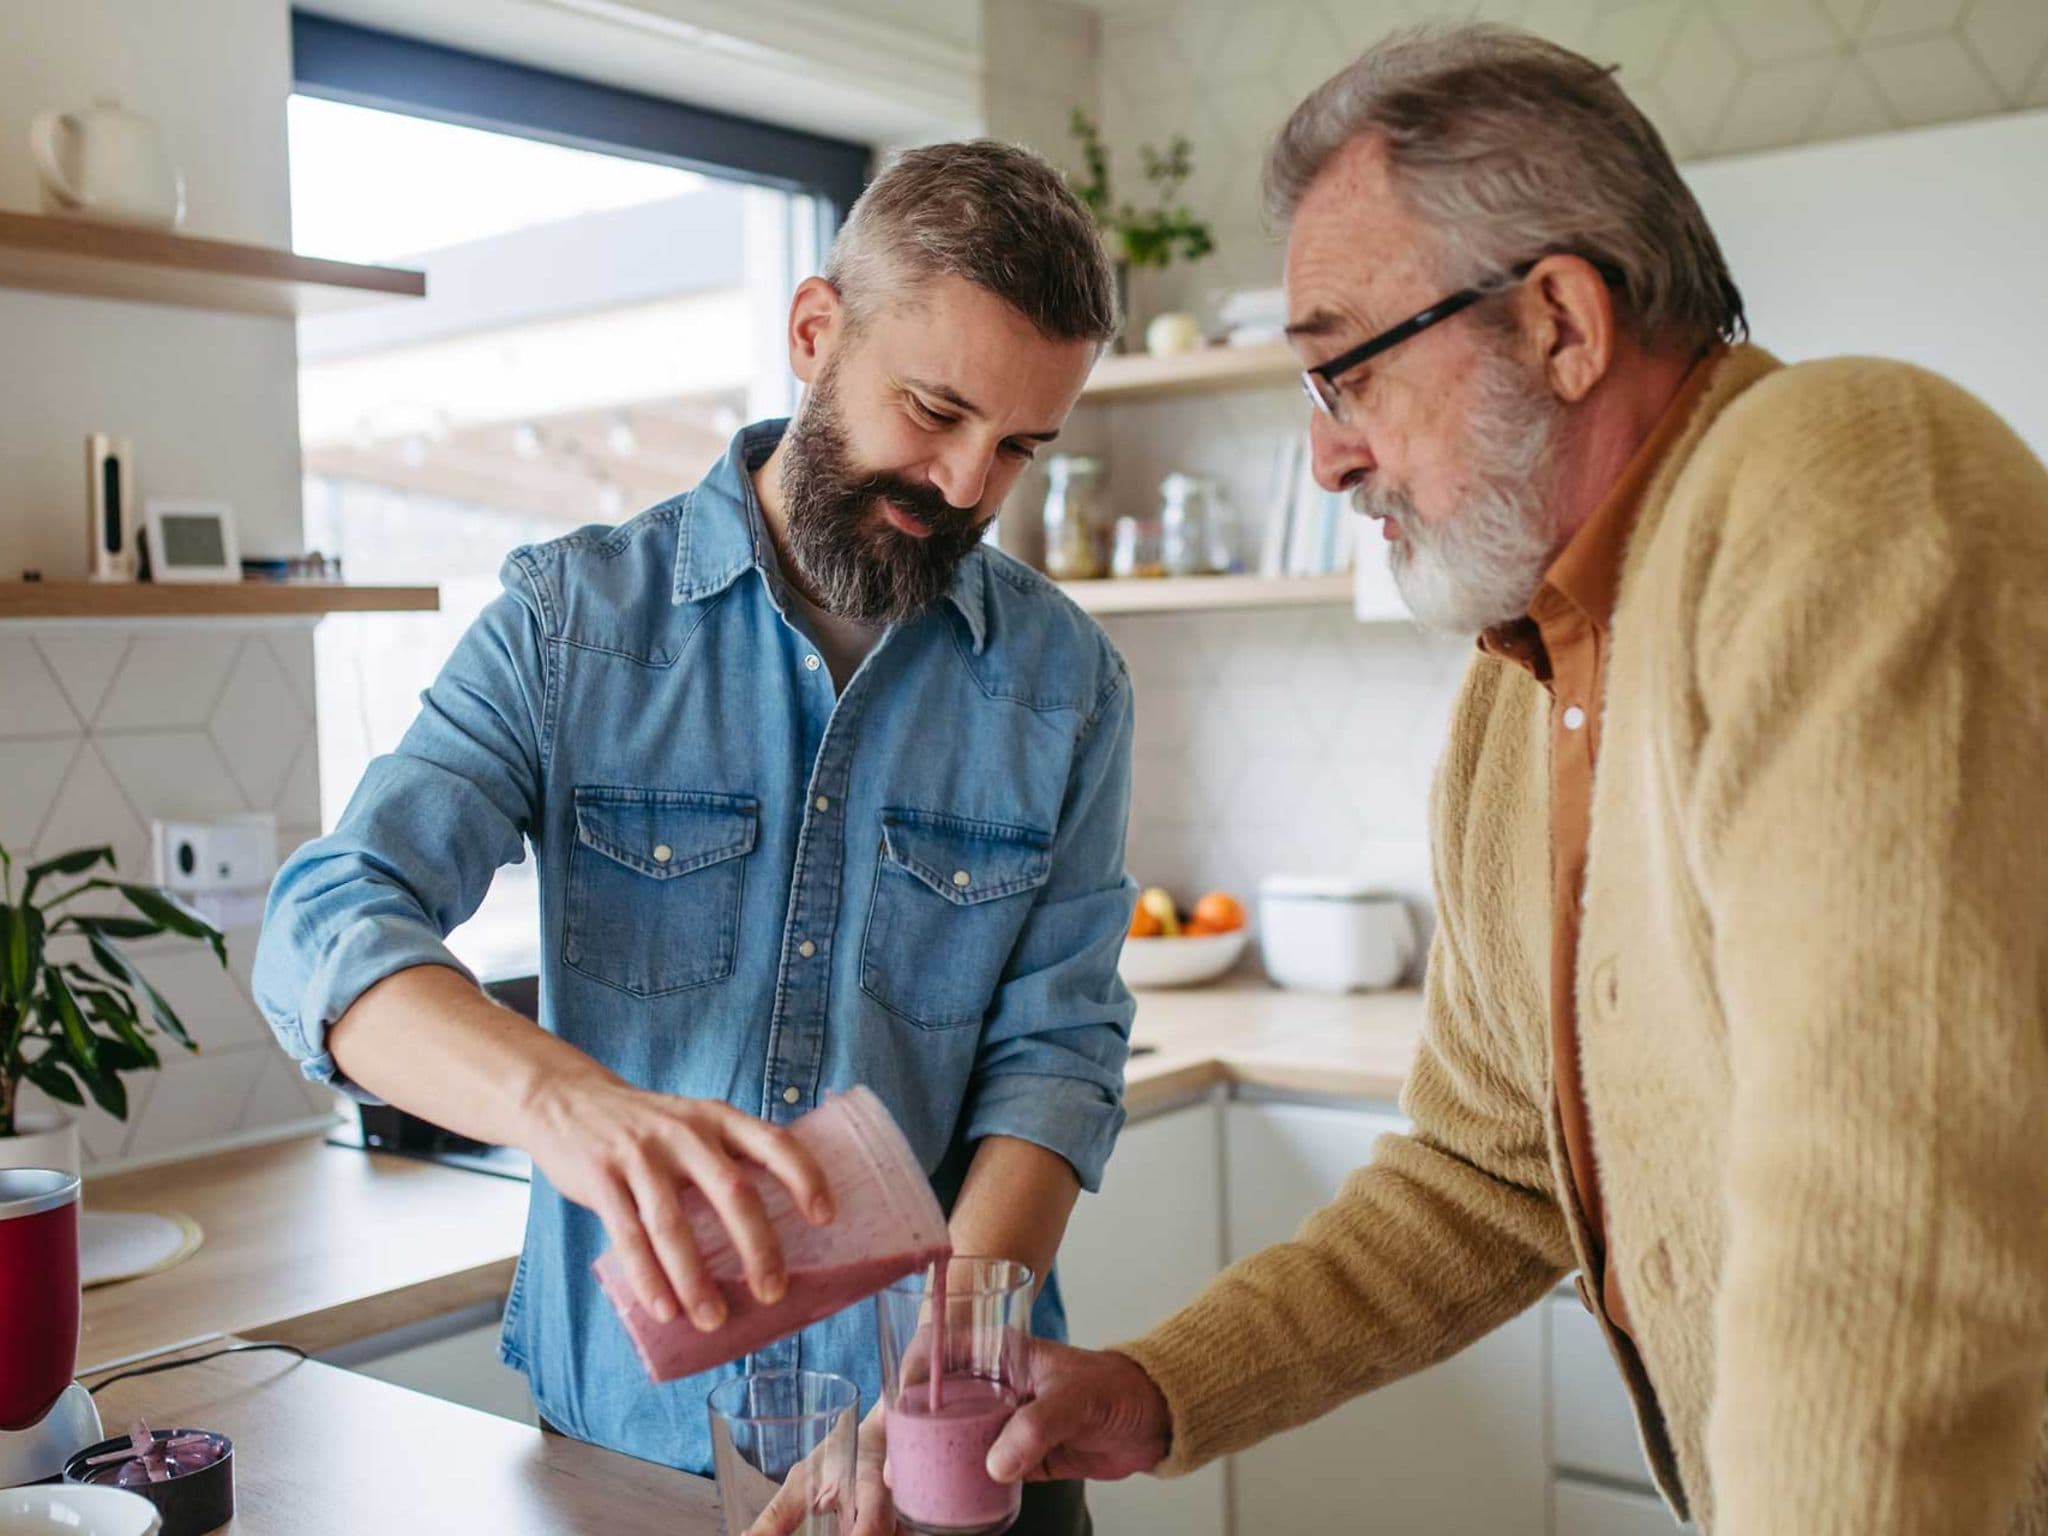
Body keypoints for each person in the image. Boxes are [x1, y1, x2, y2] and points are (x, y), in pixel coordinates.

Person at [987, 24, 2048, 1535]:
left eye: (1344, 370)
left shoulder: (1845, 485)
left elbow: (1887, 1238)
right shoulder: (1516, 694)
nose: (1327, 461)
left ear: (1559, 320)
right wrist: (1162, 1390)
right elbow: (1488, 1176)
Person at [254, 139, 1136, 1536]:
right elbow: (328, 919)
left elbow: (1057, 1057)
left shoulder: (1064, 683)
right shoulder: (573, 626)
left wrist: (936, 1407)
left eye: (1021, 445)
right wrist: (563, 1106)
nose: (971, 483)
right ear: (812, 332)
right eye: (936, 410)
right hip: (631, 1458)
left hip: (960, 1460)